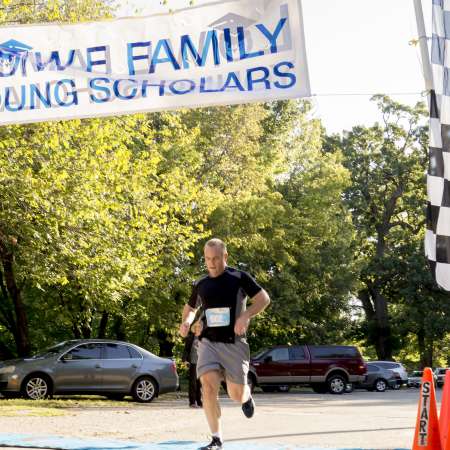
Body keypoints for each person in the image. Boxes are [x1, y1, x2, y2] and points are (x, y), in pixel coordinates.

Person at [179, 238, 271, 450]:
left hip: (234, 343)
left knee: (235, 394)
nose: (212, 263)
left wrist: (246, 315)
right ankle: (216, 439)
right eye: (208, 259)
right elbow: (191, 308)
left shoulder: (238, 277)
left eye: (216, 259)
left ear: (225, 256)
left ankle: (246, 395)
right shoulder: (201, 283)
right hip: (208, 342)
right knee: (208, 387)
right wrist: (186, 322)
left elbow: (263, 299)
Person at [182, 326, 202, 408]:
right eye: (197, 328)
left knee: (200, 383)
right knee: (193, 383)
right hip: (193, 362)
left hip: (202, 363)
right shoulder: (191, 337)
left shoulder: (204, 338)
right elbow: (186, 349)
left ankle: (199, 401)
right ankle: (192, 402)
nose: (199, 329)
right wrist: (184, 359)